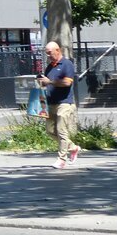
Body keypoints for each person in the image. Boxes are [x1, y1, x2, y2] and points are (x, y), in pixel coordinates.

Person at [38, 40, 81, 169]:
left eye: (50, 53)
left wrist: (50, 81)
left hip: (64, 103)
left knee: (62, 131)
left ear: (58, 50)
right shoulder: (49, 67)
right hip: (51, 103)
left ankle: (61, 160)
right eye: (47, 54)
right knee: (50, 131)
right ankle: (73, 148)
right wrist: (42, 82)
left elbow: (67, 83)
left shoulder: (67, 64)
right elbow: (47, 83)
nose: (48, 56)